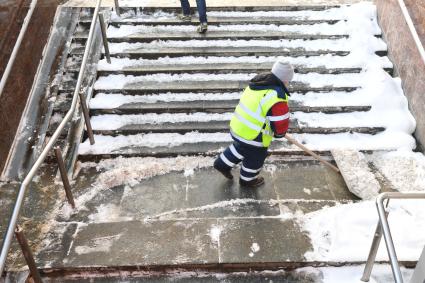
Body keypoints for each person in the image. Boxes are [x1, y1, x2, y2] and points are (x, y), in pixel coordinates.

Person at [213, 61, 294, 188]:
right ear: (285, 80)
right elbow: (280, 121)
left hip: (240, 127)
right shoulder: (277, 96)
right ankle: (247, 180)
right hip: (255, 134)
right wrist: (280, 133)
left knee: (240, 147)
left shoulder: (258, 84)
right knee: (256, 157)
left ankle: (221, 164)